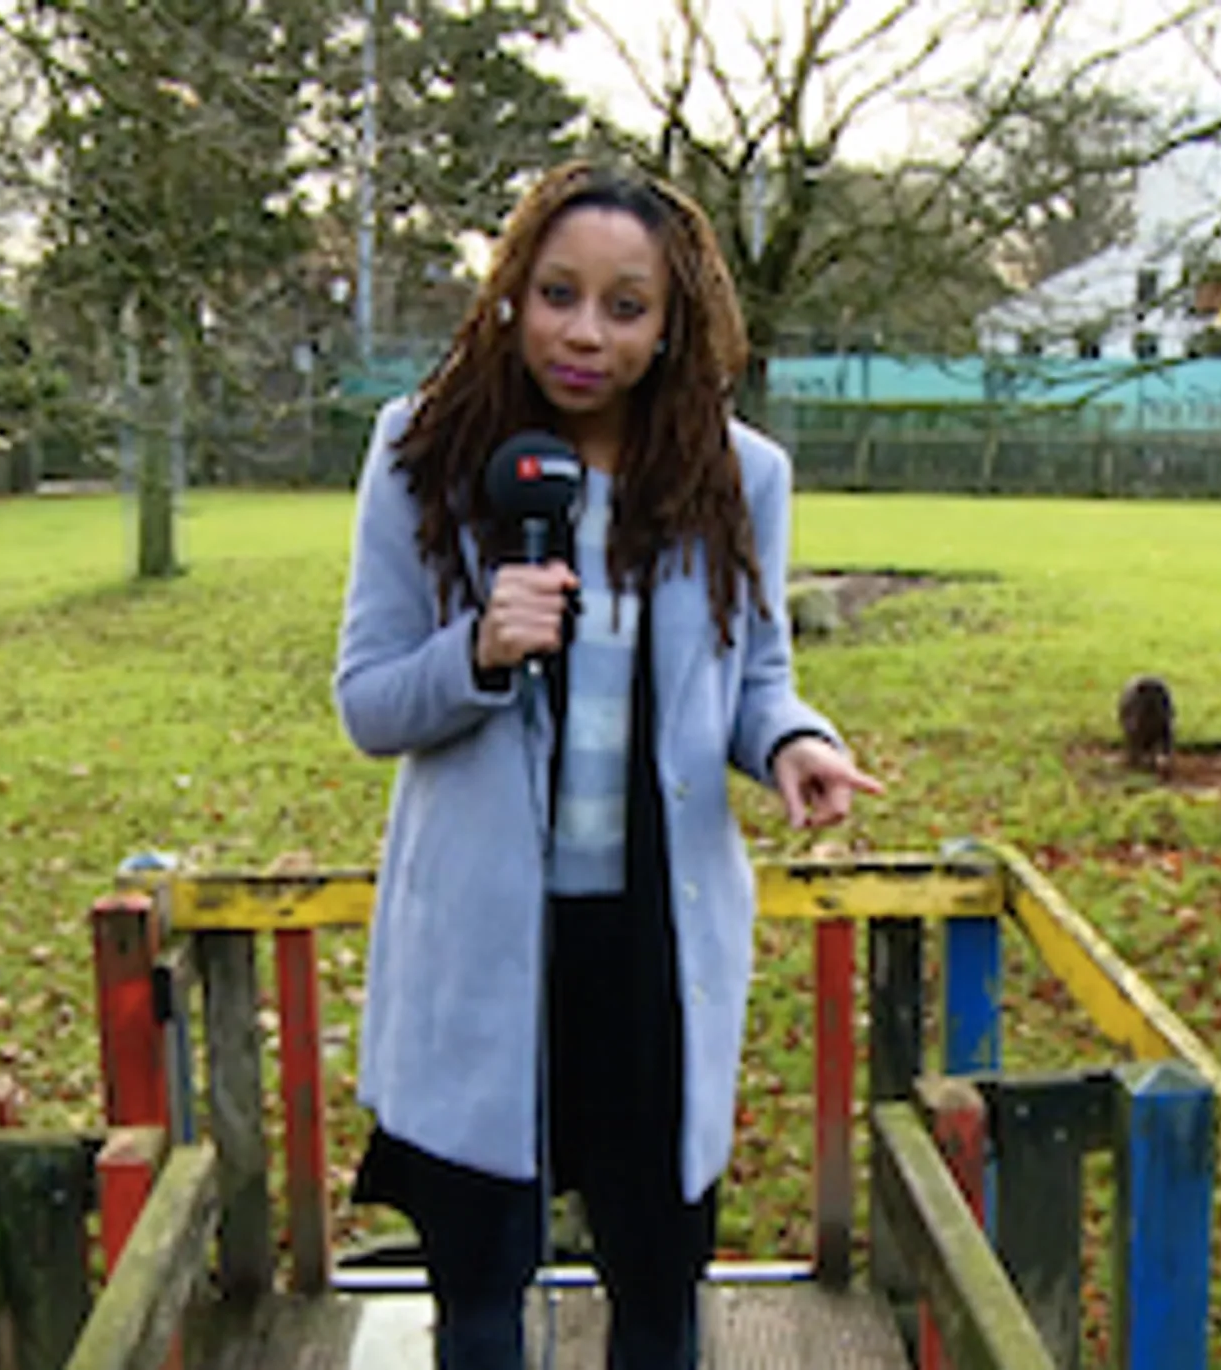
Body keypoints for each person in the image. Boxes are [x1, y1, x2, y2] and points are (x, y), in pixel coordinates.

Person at [332, 161, 883, 1370]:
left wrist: (794, 742)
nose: (585, 332)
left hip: (655, 956)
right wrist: (477, 647)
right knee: (479, 1303)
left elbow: (754, 682)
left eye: (625, 307)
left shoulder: (740, 477)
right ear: (511, 295)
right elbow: (369, 701)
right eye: (557, 294)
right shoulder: (422, 451)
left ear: (674, 321)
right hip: (483, 951)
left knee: (658, 1302)